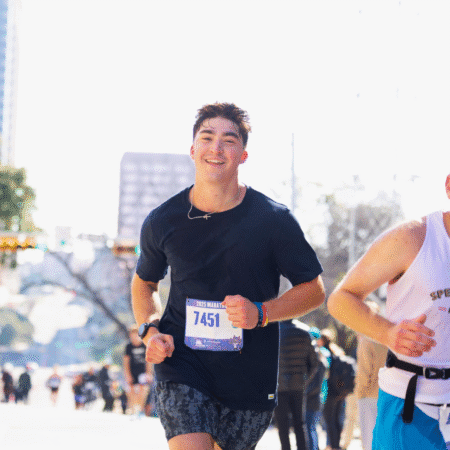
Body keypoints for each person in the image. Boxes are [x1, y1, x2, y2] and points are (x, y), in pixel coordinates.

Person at [131, 102, 325, 450]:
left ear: (244, 155)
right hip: (182, 363)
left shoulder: (273, 220)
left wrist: (262, 313)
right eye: (207, 138)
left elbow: (313, 290)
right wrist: (150, 330)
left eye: (229, 140)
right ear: (193, 150)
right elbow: (144, 283)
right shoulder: (163, 220)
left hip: (249, 373)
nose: (216, 148)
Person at [328, 174, 450, 450]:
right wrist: (387, 332)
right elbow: (340, 299)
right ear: (449, 186)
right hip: (409, 402)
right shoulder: (412, 237)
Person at [274, 319, 320, 450]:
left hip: (279, 386)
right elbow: (314, 363)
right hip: (298, 386)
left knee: (282, 426)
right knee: (300, 424)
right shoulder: (304, 331)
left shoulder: (275, 330)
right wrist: (304, 381)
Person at [353, 301, 388, 450]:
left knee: (368, 440)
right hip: (387, 393)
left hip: (368, 394)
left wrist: (359, 393)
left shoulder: (366, 340)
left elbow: (364, 372)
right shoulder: (386, 338)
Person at [318, 329, 348, 450]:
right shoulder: (339, 351)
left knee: (329, 420)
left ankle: (330, 445)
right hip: (341, 390)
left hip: (330, 390)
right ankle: (336, 445)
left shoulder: (325, 352)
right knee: (337, 419)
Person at [123, 324, 152, 416]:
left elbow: (149, 361)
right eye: (132, 334)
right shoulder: (128, 346)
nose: (134, 336)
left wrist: (149, 373)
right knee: (131, 391)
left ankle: (140, 409)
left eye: (136, 334)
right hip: (132, 371)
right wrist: (127, 375)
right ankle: (132, 409)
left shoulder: (144, 345)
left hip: (142, 371)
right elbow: (126, 362)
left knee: (143, 390)